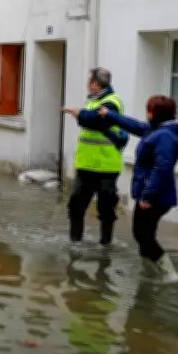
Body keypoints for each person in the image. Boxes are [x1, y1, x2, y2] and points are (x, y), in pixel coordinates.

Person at [97, 95, 178, 283]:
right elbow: (134, 125)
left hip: (155, 196)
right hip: (151, 193)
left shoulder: (165, 136)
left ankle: (170, 274)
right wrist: (110, 115)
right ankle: (149, 270)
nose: (147, 114)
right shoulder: (157, 130)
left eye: (149, 110)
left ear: (156, 113)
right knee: (143, 234)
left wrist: (147, 196)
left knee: (142, 234)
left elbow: (162, 168)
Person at [61, 68, 129, 250]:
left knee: (106, 210)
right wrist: (83, 115)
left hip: (107, 167)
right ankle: (75, 243)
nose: (86, 84)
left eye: (88, 81)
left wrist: (78, 114)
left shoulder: (112, 102)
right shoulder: (92, 101)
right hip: (85, 166)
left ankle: (105, 246)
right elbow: (90, 120)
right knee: (76, 206)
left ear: (95, 84)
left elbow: (96, 121)